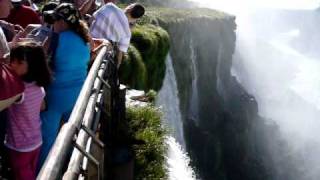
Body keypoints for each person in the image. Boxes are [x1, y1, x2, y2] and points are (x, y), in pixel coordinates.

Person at [39, 3, 91, 168]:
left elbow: (41, 65)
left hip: (54, 97)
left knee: (47, 139)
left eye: (54, 20)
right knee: (71, 134)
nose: (52, 24)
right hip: (77, 95)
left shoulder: (55, 39)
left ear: (62, 22)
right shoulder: (85, 39)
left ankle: (43, 173)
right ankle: (70, 165)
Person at [6, 41, 51, 180]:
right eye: (11, 60)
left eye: (18, 62)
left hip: (19, 146)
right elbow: (42, 106)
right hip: (36, 140)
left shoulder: (19, 90)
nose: (12, 64)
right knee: (31, 171)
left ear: (32, 66)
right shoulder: (38, 85)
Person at [90, 0, 145, 68]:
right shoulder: (127, 32)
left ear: (129, 7)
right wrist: (117, 66)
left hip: (86, 41)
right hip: (96, 55)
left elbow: (91, 19)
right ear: (136, 18)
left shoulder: (110, 6)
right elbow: (120, 52)